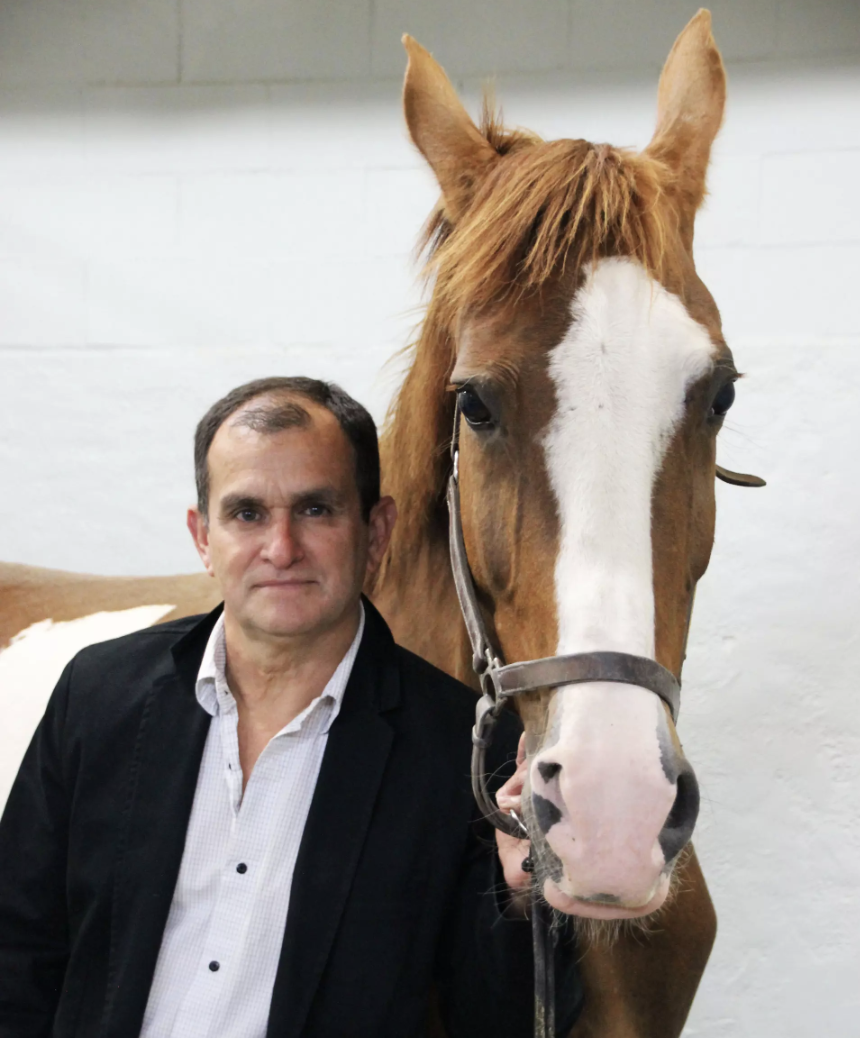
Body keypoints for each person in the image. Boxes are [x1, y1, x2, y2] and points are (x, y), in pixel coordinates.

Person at [0, 376, 582, 1038]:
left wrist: (519, 898)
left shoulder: (466, 746)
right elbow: (17, 953)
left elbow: (503, 1021)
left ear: (377, 529)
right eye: (247, 513)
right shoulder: (99, 693)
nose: (281, 549)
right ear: (202, 536)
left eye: (315, 510)